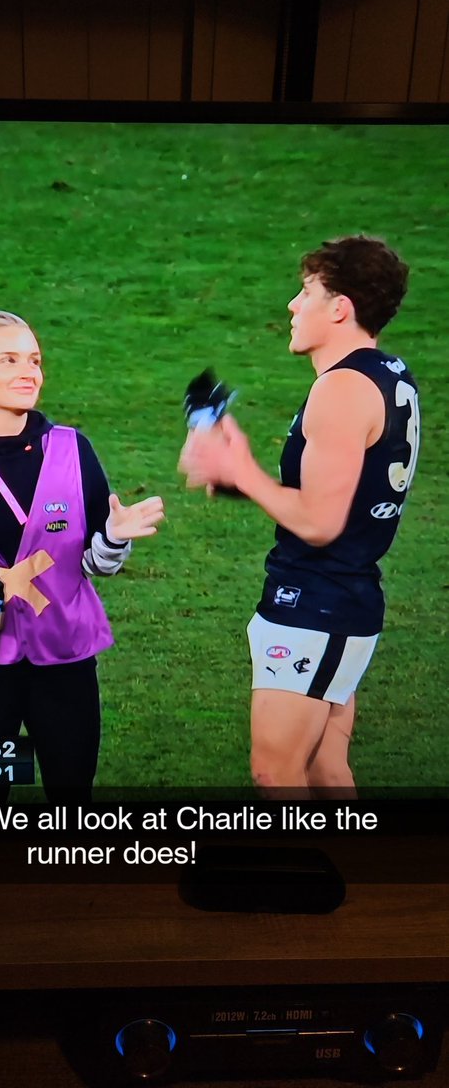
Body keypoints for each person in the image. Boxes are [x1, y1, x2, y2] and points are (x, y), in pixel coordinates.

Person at [179, 236, 419, 797]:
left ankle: (295, 880)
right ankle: (358, 882)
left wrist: (242, 471)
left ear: (340, 308)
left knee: (276, 773)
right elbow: (341, 495)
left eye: (306, 291)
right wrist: (239, 476)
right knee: (325, 772)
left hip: (319, 602)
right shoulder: (387, 374)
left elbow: (319, 522)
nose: (292, 304)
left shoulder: (341, 389)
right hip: (339, 597)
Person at [0, 309, 164, 803]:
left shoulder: (71, 449)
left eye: (34, 360)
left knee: (72, 799)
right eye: (10, 360)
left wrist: (115, 538)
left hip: (65, 656)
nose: (29, 372)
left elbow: (91, 564)